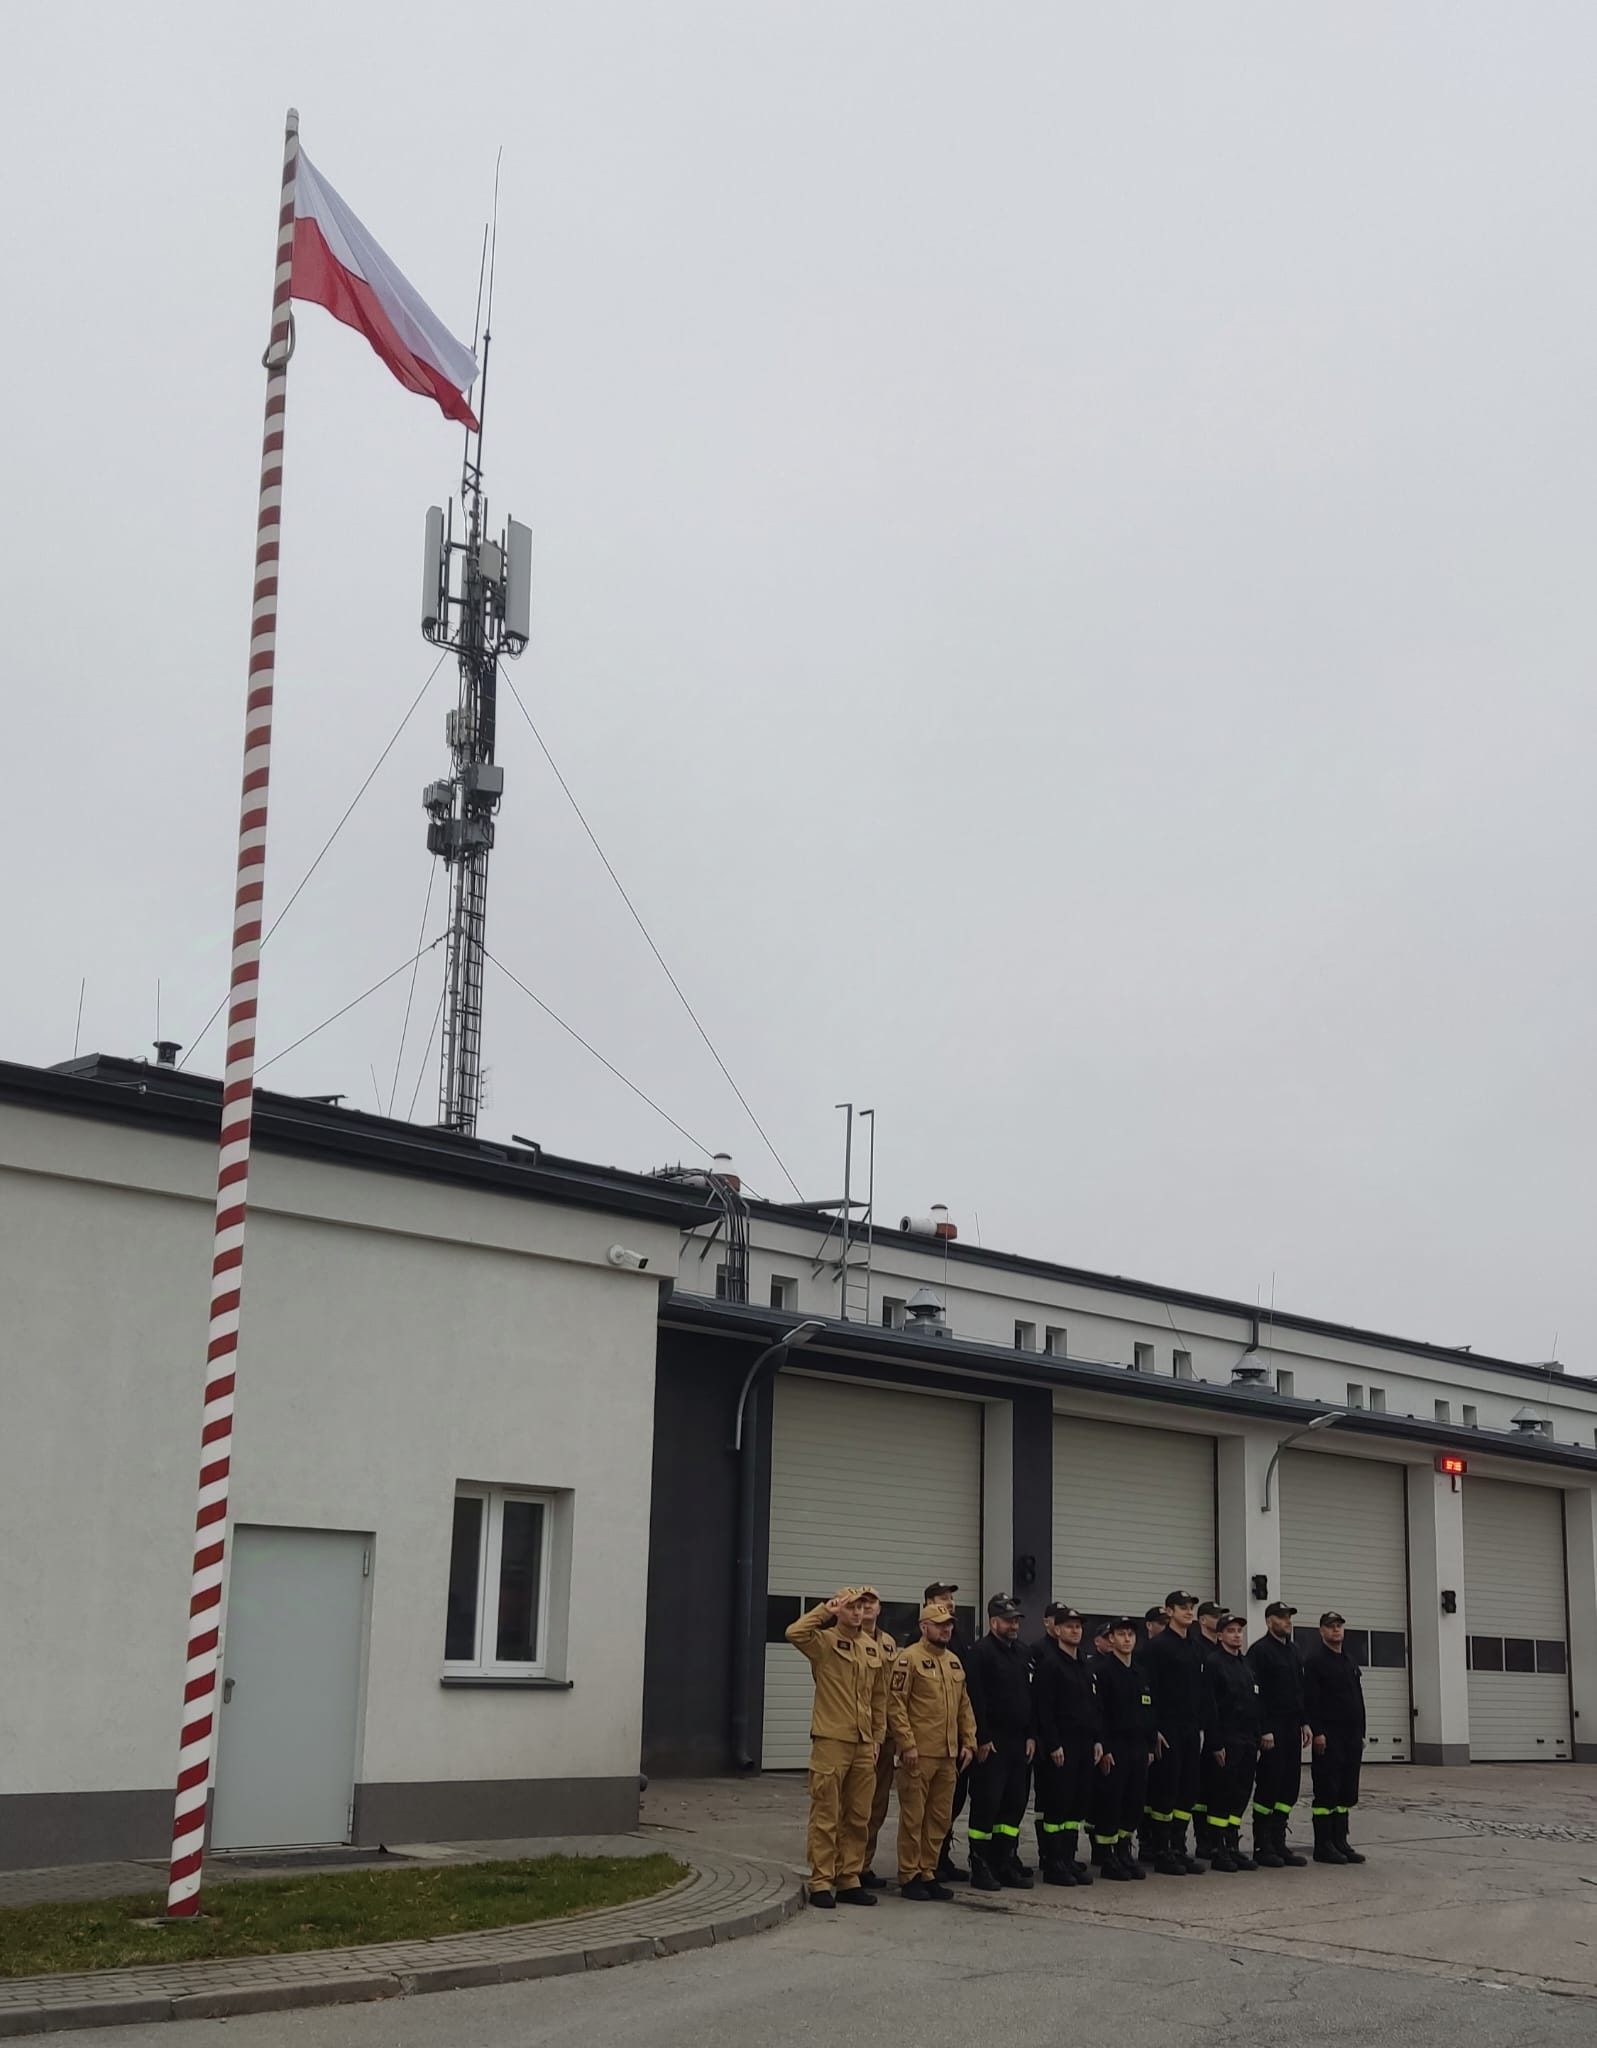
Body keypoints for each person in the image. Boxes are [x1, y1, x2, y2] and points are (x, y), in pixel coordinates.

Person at [785, 1587, 888, 1907]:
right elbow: (794, 1633)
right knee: (826, 1813)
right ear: (839, 1610)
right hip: (832, 1739)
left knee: (858, 1815)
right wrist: (824, 1610)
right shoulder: (824, 1642)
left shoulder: (870, 1647)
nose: (857, 1612)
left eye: (862, 1607)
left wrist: (877, 1738)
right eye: (851, 1607)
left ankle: (849, 1878)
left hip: (863, 1743)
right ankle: (821, 1881)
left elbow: (878, 1697)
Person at [888, 1602, 976, 1901]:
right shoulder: (908, 1659)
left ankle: (928, 1871)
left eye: (949, 1624)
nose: (946, 1629)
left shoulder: (953, 1662)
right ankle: (910, 1874)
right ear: (924, 1627)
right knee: (914, 1818)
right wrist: (907, 1744)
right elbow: (896, 1705)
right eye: (939, 1624)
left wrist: (969, 1741)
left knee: (939, 1818)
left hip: (948, 1755)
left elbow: (964, 1706)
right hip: (919, 1754)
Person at [965, 1594, 1036, 1891]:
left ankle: (1004, 1859)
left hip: (1019, 1741)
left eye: (1016, 1620)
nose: (1014, 1625)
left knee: (1014, 1804)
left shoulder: (1022, 1652)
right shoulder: (980, 1653)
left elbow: (1031, 1697)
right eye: (1008, 1621)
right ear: (993, 1622)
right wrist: (981, 1737)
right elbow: (975, 1699)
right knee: (987, 1803)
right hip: (992, 1741)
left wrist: (1032, 1735)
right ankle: (980, 1863)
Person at [1031, 1603, 1101, 1886]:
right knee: (1058, 1804)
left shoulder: (1085, 1664)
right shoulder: (1050, 1664)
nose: (1075, 1631)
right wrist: (1053, 1744)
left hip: (1085, 1743)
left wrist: (1097, 1740)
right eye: (1069, 1626)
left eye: (1078, 1626)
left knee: (1077, 1804)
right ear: (1057, 1630)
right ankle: (1053, 1861)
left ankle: (1069, 1857)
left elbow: (1093, 1706)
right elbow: (1044, 1709)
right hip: (1062, 1744)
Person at [1142, 1590, 1207, 1876]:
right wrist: (1152, 1728)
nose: (1188, 1611)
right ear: (1169, 1611)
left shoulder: (1195, 1647)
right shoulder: (1157, 1647)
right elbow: (1147, 1689)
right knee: (1165, 1790)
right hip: (1167, 1728)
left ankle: (1178, 1846)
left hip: (1190, 1728)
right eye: (1182, 1607)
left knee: (1187, 1790)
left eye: (1191, 1607)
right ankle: (1161, 1850)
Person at [1090, 1618, 1155, 1880]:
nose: (1127, 1639)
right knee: (1111, 1802)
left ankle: (1124, 1850)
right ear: (1111, 1639)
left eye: (1130, 1634)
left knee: (1134, 1801)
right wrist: (1104, 1747)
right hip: (1115, 1746)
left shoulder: (1140, 1672)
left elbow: (1148, 1709)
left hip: (1138, 1746)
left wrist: (1149, 1744)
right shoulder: (1103, 1671)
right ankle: (1107, 1857)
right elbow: (1099, 1712)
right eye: (1121, 1634)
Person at [1302, 1610, 1368, 1865]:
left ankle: (1341, 1841)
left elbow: (1357, 1699)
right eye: (1331, 1626)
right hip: (1329, 1736)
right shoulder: (1315, 1661)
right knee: (1327, 1790)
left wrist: (1361, 1732)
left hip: (1351, 1736)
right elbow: (1311, 1700)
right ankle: (1324, 1845)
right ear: (1321, 1631)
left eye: (1339, 1626)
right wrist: (1318, 1731)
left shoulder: (1349, 1660)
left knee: (1347, 1791)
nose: (1336, 1630)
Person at [1247, 1601, 1309, 1869]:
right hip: (1272, 1728)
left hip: (1292, 1727)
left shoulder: (1294, 1651)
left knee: (1289, 1786)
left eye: (1289, 1617)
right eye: (1282, 1617)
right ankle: (1263, 1845)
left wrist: (1305, 1722)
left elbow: (1299, 1689)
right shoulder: (1259, 1651)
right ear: (1269, 1621)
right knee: (1269, 1785)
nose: (1287, 1622)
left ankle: (1279, 1841)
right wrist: (1264, 1729)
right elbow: (1256, 1694)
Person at [1202, 1613, 1262, 1872]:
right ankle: (1218, 1849)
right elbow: (1210, 1706)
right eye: (1231, 1631)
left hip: (1247, 1739)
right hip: (1226, 1739)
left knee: (1241, 1793)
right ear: (1220, 1636)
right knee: (1222, 1794)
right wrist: (1215, 1743)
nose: (1237, 1635)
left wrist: (1258, 1736)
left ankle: (1232, 1845)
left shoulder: (1245, 1664)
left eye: (1239, 1631)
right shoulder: (1214, 1663)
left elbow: (1255, 1701)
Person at [923, 1580, 974, 1882]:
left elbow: (965, 1694)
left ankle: (940, 1858)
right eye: (943, 1598)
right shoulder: (918, 1645)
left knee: (951, 1803)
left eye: (951, 1598)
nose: (950, 1602)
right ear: (929, 1603)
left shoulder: (959, 1637)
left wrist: (970, 1737)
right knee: (926, 1807)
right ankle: (923, 1865)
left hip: (955, 1739)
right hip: (929, 1742)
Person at [857, 1592, 899, 1890]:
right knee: (854, 1803)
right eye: (862, 1603)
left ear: (880, 1608)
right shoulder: (846, 1640)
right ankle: (845, 1864)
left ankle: (863, 1864)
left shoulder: (888, 1643)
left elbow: (893, 1691)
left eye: (872, 1603)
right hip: (858, 1733)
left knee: (877, 1803)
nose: (867, 1607)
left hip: (885, 1734)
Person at [1191, 1603, 1228, 1856]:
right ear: (1203, 1620)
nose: (1219, 1619)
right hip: (1202, 1728)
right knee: (1201, 1788)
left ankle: (1218, 1839)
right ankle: (1203, 1840)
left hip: (1224, 1727)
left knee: (1219, 1786)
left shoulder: (1223, 1650)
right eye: (1215, 1616)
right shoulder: (1196, 1649)